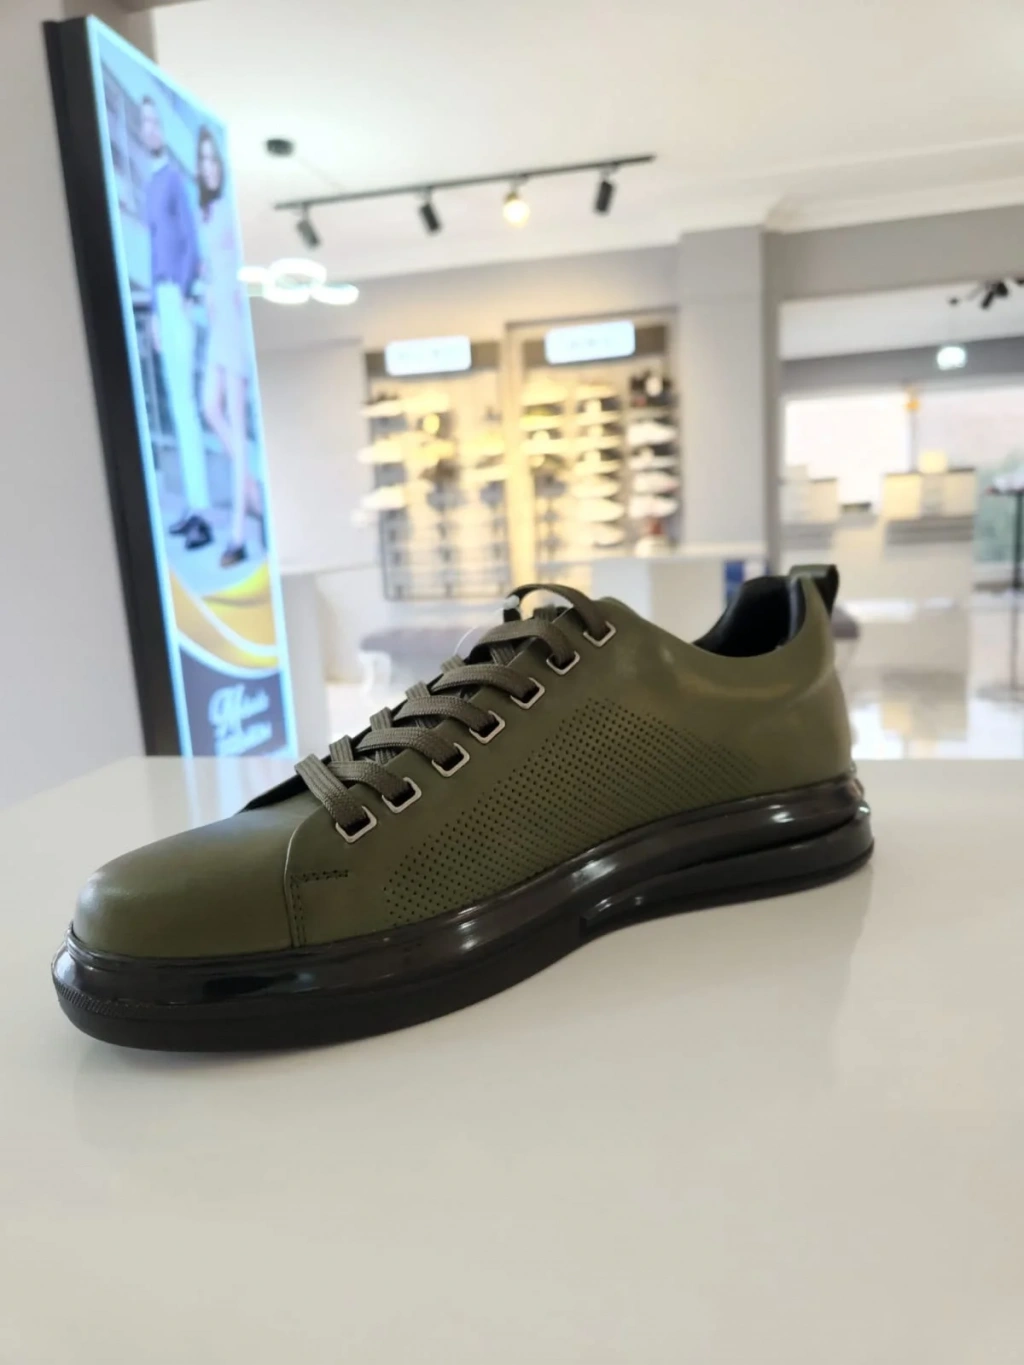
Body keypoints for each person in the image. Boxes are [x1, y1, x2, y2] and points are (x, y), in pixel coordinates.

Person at [140, 95, 212, 550]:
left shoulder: (174, 182)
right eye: (144, 122)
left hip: (177, 297)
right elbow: (154, 250)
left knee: (185, 407)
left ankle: (201, 511)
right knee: (177, 404)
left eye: (154, 121)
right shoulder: (150, 183)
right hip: (163, 298)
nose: (149, 128)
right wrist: (154, 311)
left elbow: (190, 242)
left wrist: (183, 294)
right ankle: (193, 508)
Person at [196, 125, 255, 569]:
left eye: (213, 160)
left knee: (232, 415)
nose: (209, 167)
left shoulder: (228, 214)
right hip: (218, 323)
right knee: (210, 407)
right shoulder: (206, 212)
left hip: (231, 324)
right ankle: (251, 488)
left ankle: (237, 533)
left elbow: (233, 270)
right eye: (204, 161)